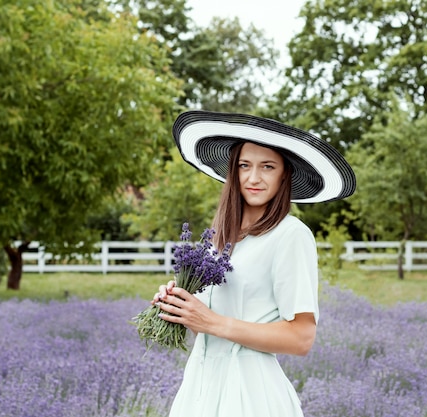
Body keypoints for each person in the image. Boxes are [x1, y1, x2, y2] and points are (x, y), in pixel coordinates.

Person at [152, 110, 356, 417]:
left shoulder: (291, 235)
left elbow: (301, 338)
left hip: (249, 395)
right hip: (199, 388)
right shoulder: (220, 238)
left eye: (267, 167)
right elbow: (210, 323)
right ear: (234, 171)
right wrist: (179, 307)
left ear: (284, 174)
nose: (253, 178)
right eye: (245, 166)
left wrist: (211, 321)